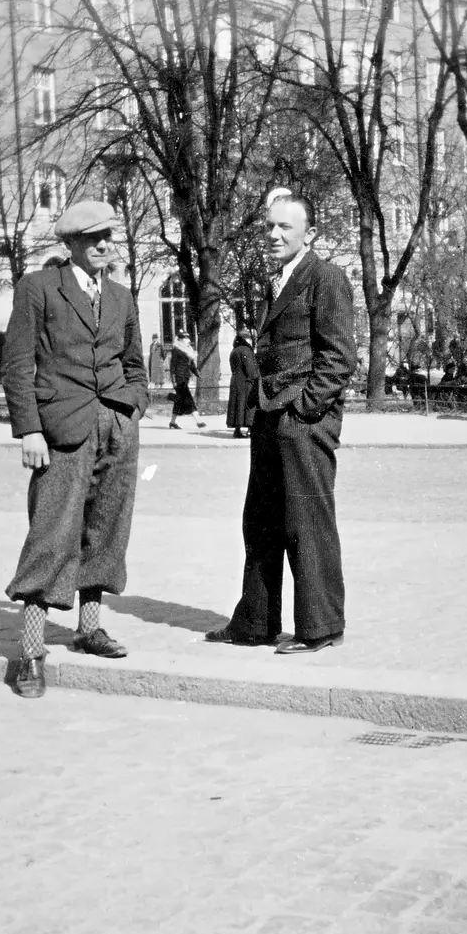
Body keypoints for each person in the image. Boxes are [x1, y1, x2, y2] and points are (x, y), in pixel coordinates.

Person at [1, 200, 149, 699]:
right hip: (60, 429)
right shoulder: (38, 289)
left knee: (106, 531)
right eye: (93, 238)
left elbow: (134, 364)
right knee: (52, 534)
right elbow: (18, 364)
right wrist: (30, 430)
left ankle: (89, 630)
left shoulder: (122, 296)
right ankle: (31, 651)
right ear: (70, 244)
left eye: (109, 236)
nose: (105, 245)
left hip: (116, 427)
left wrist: (132, 409)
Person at [206, 190, 356, 655]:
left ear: (309, 233)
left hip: (300, 422)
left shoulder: (325, 278)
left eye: (284, 227)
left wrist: (304, 410)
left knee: (306, 523)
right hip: (271, 419)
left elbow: (339, 357)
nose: (272, 235)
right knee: (261, 522)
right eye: (269, 226)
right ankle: (256, 623)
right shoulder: (277, 279)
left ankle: (320, 627)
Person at [168, 330, 206, 430]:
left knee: (179, 401)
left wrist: (197, 373)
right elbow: (172, 365)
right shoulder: (176, 349)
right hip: (179, 378)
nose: (188, 340)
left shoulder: (189, 350)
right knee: (188, 398)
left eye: (188, 338)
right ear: (180, 339)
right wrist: (173, 380)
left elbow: (191, 365)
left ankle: (172, 422)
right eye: (185, 338)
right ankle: (198, 421)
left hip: (186, 377)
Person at [226, 333, 257, 438]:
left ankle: (237, 430)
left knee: (236, 405)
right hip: (246, 381)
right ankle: (249, 429)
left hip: (235, 380)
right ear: (246, 339)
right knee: (249, 404)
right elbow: (250, 368)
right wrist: (255, 377)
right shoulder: (246, 350)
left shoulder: (233, 351)